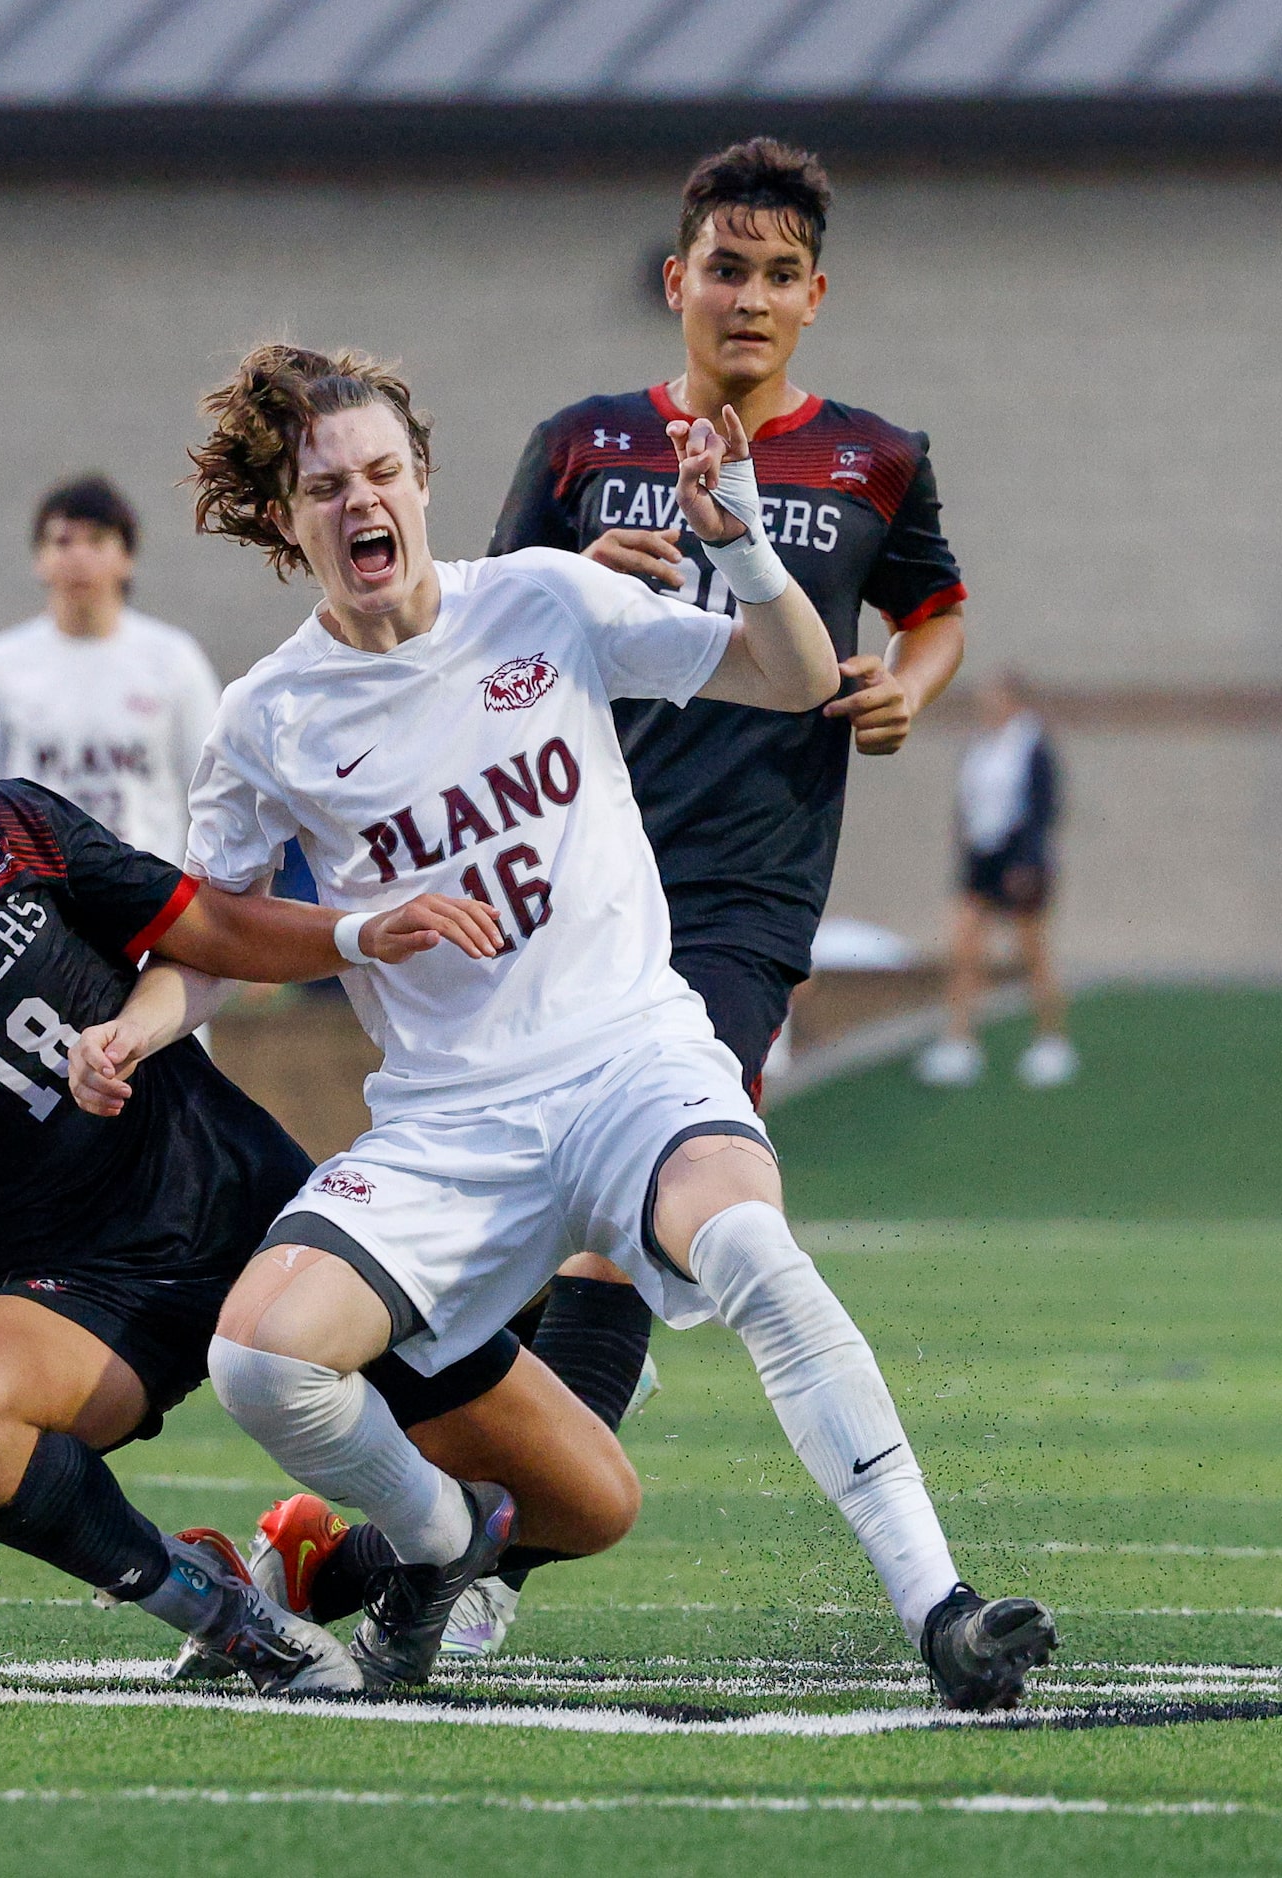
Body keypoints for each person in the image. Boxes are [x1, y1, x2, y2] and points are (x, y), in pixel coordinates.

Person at [73, 342, 1053, 1708]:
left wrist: (745, 542)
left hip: (627, 1061)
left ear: (422, 479)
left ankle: (941, 1606)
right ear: (286, 521)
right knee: (256, 1358)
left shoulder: (539, 595)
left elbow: (790, 677)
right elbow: (217, 936)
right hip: (446, 1126)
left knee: (754, 1243)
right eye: (322, 487)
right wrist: (138, 1025)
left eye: (379, 473)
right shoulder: (266, 718)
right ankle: (429, 1550)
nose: (360, 503)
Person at [0, 635, 636, 1697]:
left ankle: (324, 1563)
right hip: (89, 1296)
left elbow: (206, 924)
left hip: (256, 1212)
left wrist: (358, 932)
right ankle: (223, 1612)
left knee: (586, 1506)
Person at [475, 135, 971, 1649]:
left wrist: (909, 689)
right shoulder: (580, 446)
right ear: (676, 279)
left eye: (776, 276)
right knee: (507, 1237)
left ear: (815, 295)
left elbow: (934, 603)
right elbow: (474, 656)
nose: (746, 298)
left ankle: (483, 1576)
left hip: (745, 902)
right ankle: (416, 1548)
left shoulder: (874, 455)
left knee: (628, 1224)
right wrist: (576, 589)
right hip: (568, 880)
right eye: (723, 270)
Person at [0, 475, 222, 865]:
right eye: (62, 541)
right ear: (39, 559)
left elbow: (215, 785)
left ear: (127, 558)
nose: (79, 557)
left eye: (96, 541)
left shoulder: (174, 659)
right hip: (43, 895)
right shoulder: (2, 661)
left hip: (150, 889)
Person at [916, 672, 1074, 1090]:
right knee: (965, 948)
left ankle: (1050, 1040)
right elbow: (967, 806)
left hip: (1019, 860)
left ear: (1015, 701)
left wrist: (1027, 863)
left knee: (1030, 951)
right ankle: (959, 1041)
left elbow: (1044, 808)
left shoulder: (1033, 746)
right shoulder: (980, 745)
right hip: (980, 860)